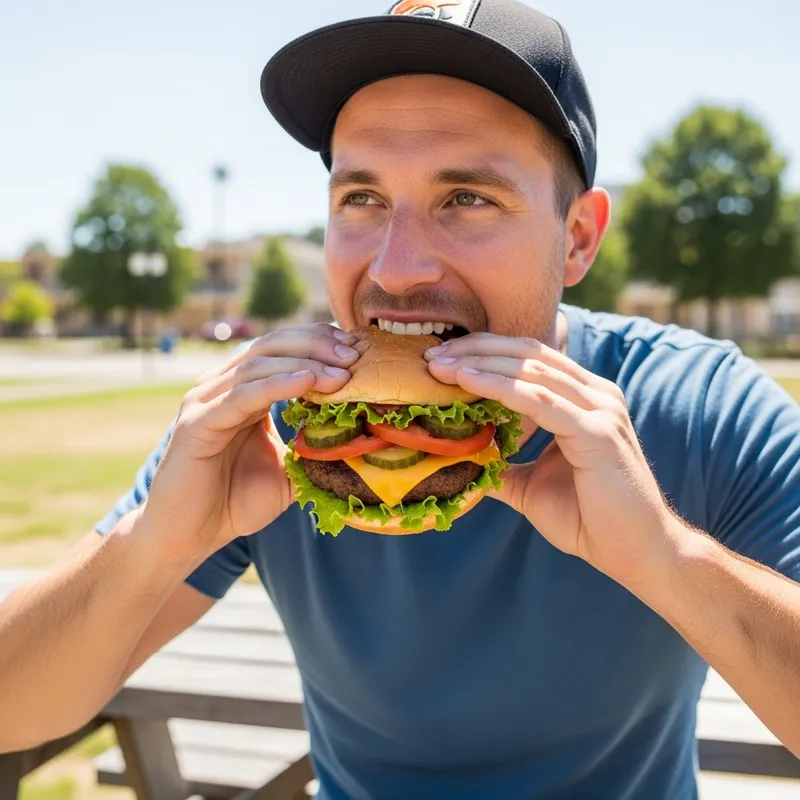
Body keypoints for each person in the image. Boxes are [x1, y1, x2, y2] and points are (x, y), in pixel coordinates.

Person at [2, 1, 799, 797]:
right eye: (364, 199)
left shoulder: (699, 403)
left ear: (579, 237)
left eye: (467, 199)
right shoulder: (274, 418)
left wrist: (666, 558)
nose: (399, 267)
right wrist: (153, 549)